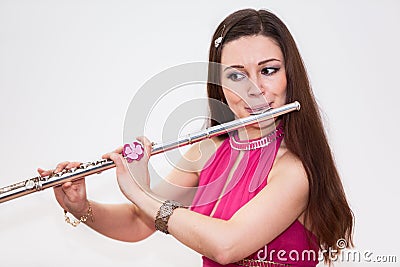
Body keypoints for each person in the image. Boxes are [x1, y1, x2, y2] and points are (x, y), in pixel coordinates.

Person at [38, 8, 354, 267]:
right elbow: (138, 222)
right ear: (220, 85)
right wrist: (81, 206)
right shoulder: (209, 149)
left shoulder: (295, 170)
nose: (255, 89)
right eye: (236, 75)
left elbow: (226, 246)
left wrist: (141, 192)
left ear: (289, 76)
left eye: (268, 70)